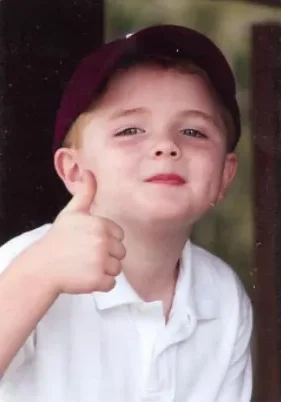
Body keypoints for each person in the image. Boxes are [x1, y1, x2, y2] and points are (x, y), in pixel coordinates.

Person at [0, 24, 252, 401]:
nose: (166, 145)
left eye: (194, 132)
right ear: (73, 170)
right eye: (131, 129)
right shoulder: (24, 262)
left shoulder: (223, 296)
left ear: (224, 175)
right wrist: (37, 276)